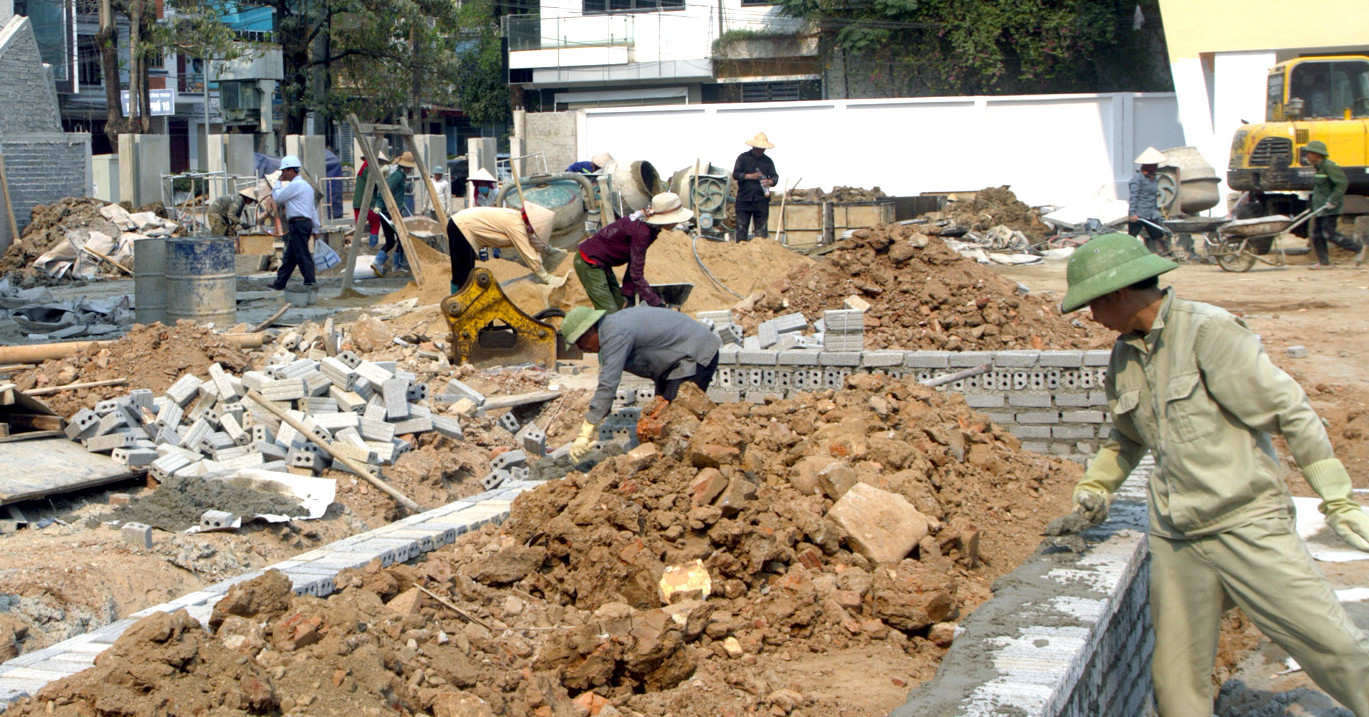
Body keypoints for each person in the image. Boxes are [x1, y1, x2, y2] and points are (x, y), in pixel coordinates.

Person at [1056, 232, 1369, 717]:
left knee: (1338, 650)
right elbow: (1128, 437)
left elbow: (1291, 412)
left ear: (1117, 294)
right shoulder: (1124, 356)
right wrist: (1095, 486)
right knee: (1176, 681)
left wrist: (1338, 498)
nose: (1092, 319)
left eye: (1093, 305)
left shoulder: (1209, 332)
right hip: (1179, 539)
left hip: (1246, 525)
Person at [563, 304, 722, 461]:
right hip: (672, 364)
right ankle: (663, 464)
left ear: (591, 329)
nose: (580, 347)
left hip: (694, 354)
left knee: (677, 420)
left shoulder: (615, 333)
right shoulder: (612, 327)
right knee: (660, 416)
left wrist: (587, 430)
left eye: (580, 340)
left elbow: (608, 383)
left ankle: (695, 463)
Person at [574, 192, 692, 314]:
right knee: (610, 313)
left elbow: (634, 262)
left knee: (619, 307)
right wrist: (657, 304)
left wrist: (627, 293)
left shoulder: (650, 229)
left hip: (604, 264)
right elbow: (636, 274)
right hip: (589, 261)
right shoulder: (642, 232)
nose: (676, 223)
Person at [446, 202, 565, 292]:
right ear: (531, 222)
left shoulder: (519, 221)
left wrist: (548, 250)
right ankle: (458, 305)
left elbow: (532, 240)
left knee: (465, 273)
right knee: (463, 275)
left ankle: (457, 300)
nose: (533, 232)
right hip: (461, 227)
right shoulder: (516, 224)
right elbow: (527, 252)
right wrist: (547, 278)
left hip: (462, 225)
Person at [1304, 139, 1365, 269]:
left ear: (1318, 154)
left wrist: (1333, 200)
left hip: (1330, 208)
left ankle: (1358, 248)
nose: (1307, 156)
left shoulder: (1329, 166)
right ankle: (1323, 262)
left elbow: (1342, 183)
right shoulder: (1318, 168)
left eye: (1310, 153)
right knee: (1316, 234)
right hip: (1320, 207)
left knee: (1328, 233)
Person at [269, 154, 318, 291]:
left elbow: (278, 198)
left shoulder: (296, 185)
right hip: (304, 223)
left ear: (291, 170)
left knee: (302, 253)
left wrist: (277, 183)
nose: (283, 174)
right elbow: (312, 209)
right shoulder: (306, 186)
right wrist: (315, 228)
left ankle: (310, 281)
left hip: (298, 224)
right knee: (290, 256)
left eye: (284, 171)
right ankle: (280, 282)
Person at [372, 151, 415, 276]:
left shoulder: (399, 175)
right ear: (406, 167)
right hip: (390, 212)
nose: (411, 169)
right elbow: (385, 189)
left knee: (391, 241)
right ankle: (397, 265)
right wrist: (379, 204)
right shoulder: (398, 176)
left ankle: (378, 262)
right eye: (410, 167)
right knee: (402, 238)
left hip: (391, 210)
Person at [732, 132, 777, 243]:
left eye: (763, 149)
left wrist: (770, 182)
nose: (761, 151)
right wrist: (749, 176)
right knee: (741, 230)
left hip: (761, 200)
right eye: (758, 148)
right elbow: (736, 174)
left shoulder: (768, 161)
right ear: (753, 147)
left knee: (761, 233)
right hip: (744, 200)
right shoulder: (743, 158)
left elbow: (775, 176)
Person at [1128, 146, 1169, 256]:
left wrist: (1156, 212)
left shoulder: (1154, 179)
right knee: (1131, 237)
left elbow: (1153, 197)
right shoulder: (1137, 179)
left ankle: (1164, 254)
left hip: (1151, 213)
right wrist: (1132, 213)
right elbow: (1134, 197)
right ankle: (1126, 254)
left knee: (1157, 234)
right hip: (1139, 214)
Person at [353, 155, 383, 249]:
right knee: (375, 222)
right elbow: (373, 183)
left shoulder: (362, 168)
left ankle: (356, 248)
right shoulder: (370, 169)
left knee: (359, 227)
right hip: (367, 202)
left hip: (357, 203)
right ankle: (372, 247)